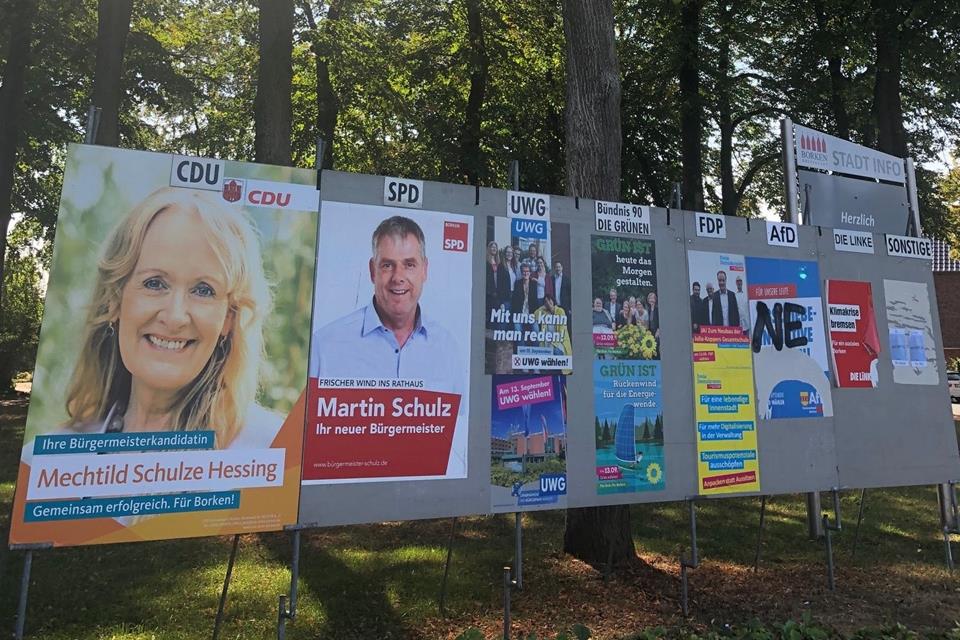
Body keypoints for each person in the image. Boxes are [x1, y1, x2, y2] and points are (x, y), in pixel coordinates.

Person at [63, 188, 278, 449]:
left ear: (228, 319)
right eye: (154, 283)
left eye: (203, 290)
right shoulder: (49, 459)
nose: (175, 317)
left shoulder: (273, 447)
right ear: (115, 299)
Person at [310, 215, 463, 396]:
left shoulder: (448, 348)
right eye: (388, 265)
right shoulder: (325, 346)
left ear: (424, 270)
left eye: (409, 265)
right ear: (372, 271)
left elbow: (460, 422)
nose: (398, 277)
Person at [486, 240, 510, 324]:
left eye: (495, 247)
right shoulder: (486, 262)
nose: (494, 249)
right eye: (492, 247)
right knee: (490, 315)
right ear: (489, 249)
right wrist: (491, 291)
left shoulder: (499, 263)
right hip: (490, 293)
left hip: (498, 294)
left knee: (497, 315)